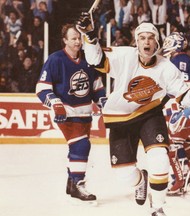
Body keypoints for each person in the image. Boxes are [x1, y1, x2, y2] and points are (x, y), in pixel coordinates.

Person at [76, 14, 190, 216]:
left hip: (149, 113)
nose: (147, 41)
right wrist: (90, 35)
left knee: (160, 157)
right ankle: (141, 181)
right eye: (142, 37)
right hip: (120, 118)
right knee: (124, 175)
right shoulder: (124, 56)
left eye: (151, 37)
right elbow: (96, 59)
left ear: (157, 43)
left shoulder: (166, 67)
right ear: (136, 42)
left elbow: (183, 93)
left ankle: (158, 208)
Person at [35, 24, 105, 203]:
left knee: (77, 148)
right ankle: (78, 183)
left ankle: (72, 182)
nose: (77, 41)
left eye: (79, 38)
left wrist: (103, 103)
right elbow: (42, 88)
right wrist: (55, 103)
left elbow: (96, 87)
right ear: (64, 40)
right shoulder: (55, 59)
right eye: (73, 38)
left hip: (85, 114)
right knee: (82, 146)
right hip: (64, 113)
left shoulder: (88, 59)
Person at [162, 32, 190, 195]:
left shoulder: (176, 61)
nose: (165, 46)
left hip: (185, 108)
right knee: (186, 143)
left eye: (168, 42)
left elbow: (185, 87)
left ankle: (178, 181)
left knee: (173, 145)